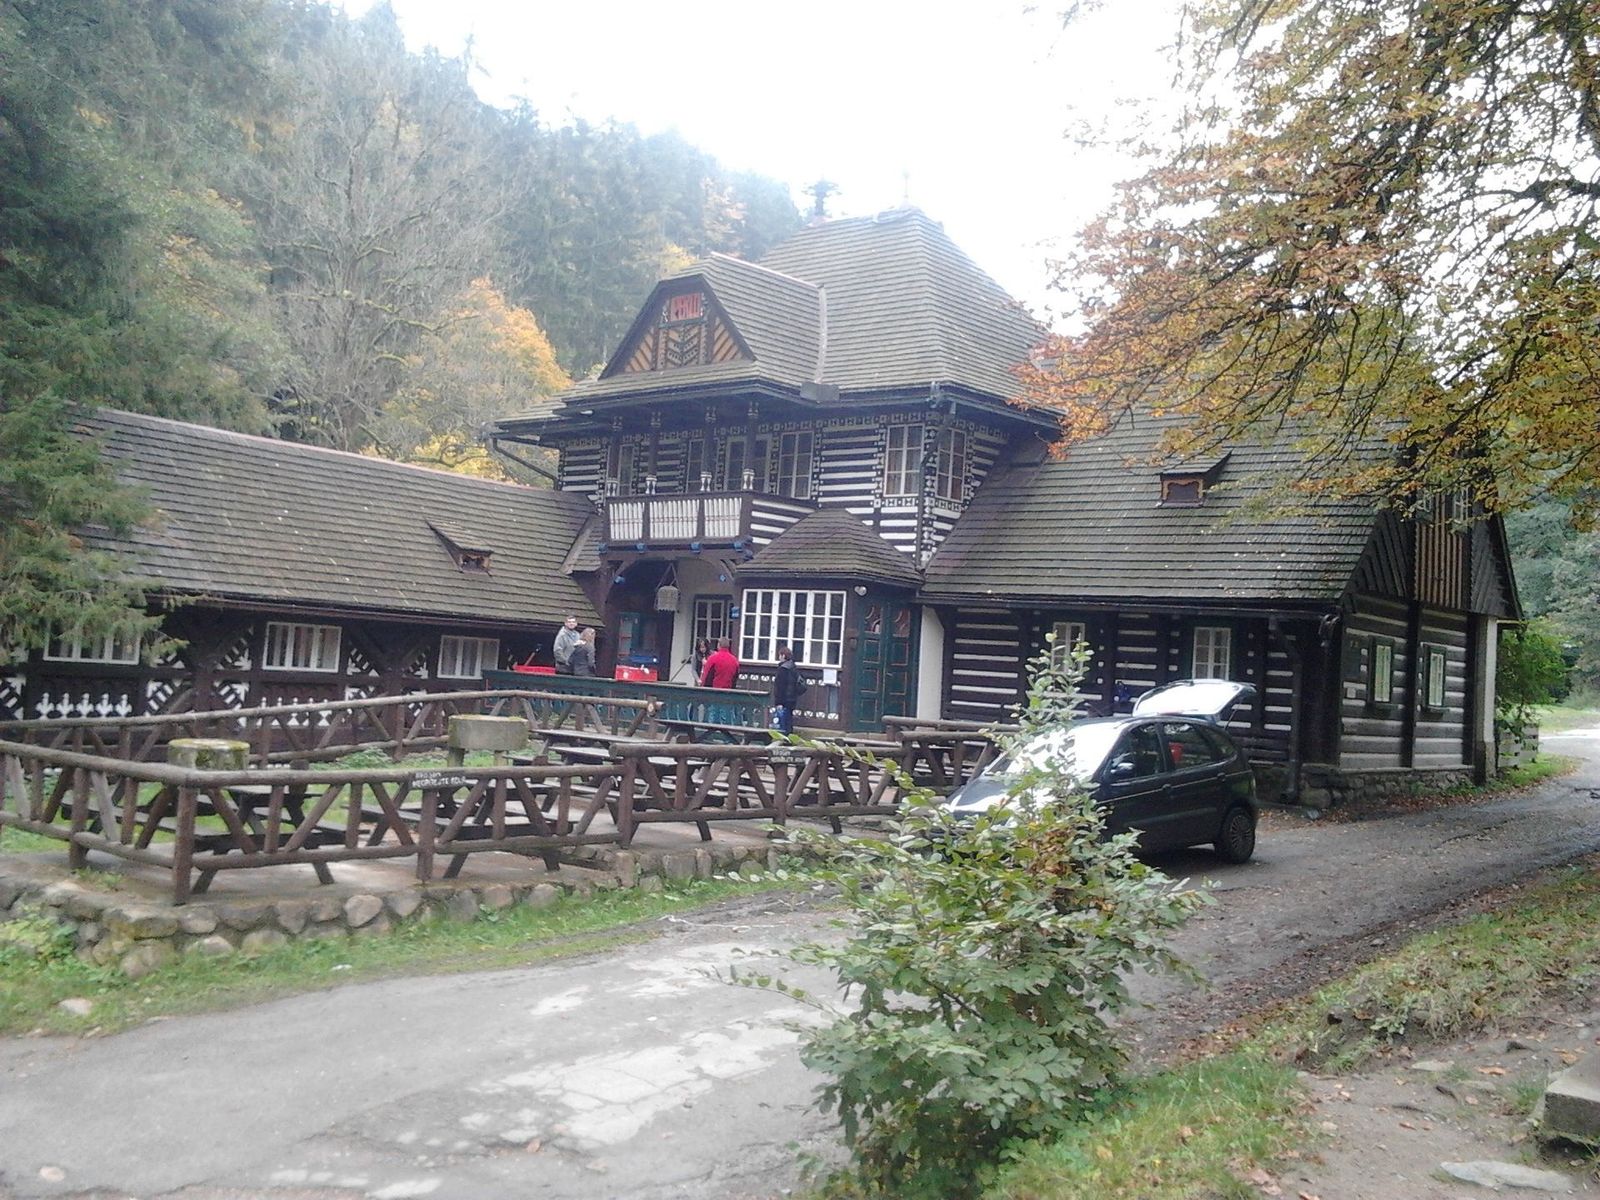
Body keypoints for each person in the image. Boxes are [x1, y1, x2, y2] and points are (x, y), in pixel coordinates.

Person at [771, 644, 808, 735]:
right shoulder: (793, 667)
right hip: (792, 699)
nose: (779, 657)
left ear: (783, 656)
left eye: (780, 655)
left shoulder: (783, 669)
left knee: (782, 721)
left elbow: (781, 687)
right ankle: (789, 737)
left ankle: (784, 737)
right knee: (788, 721)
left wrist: (778, 702)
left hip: (784, 699)